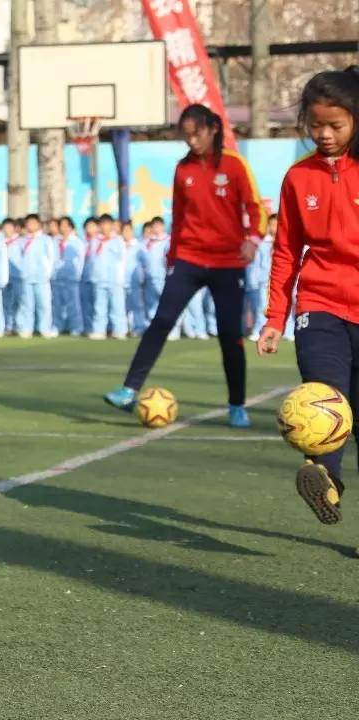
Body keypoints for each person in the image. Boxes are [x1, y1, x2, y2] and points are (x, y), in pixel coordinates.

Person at [105, 104, 267, 427]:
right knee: (161, 320)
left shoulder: (235, 166)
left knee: (229, 335)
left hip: (226, 262)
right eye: (186, 136)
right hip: (189, 260)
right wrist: (172, 257)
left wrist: (253, 238)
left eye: (197, 134)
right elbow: (179, 218)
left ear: (213, 129)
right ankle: (129, 389)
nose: (192, 141)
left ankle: (237, 405)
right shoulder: (183, 170)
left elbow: (257, 207)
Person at [258, 68, 359, 524]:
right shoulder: (298, 178)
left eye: (335, 125)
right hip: (319, 306)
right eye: (316, 125)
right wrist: (275, 316)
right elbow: (286, 250)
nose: (325, 134)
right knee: (323, 396)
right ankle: (326, 481)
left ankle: (328, 479)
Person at [14, 213, 55, 339]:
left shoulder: (46, 240)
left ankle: (45, 329)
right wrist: (22, 272)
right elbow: (17, 258)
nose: (31, 225)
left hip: (42, 278)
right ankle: (26, 329)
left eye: (33, 223)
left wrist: (49, 274)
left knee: (44, 304)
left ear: (39, 224)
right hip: (26, 277)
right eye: (29, 223)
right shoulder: (21, 241)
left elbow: (52, 258)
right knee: (27, 305)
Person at [86, 213, 126, 340]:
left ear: (111, 225)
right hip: (99, 279)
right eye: (102, 224)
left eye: (107, 224)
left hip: (114, 279)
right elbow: (92, 260)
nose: (104, 227)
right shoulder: (95, 240)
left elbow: (123, 259)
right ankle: (99, 330)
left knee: (117, 306)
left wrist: (121, 277)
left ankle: (119, 330)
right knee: (99, 307)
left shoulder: (118, 240)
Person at [52, 216, 85, 335]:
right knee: (57, 304)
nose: (63, 228)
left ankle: (76, 327)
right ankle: (57, 326)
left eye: (66, 225)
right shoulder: (55, 241)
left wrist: (77, 275)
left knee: (73, 304)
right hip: (57, 277)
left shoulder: (77, 242)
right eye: (61, 225)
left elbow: (80, 260)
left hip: (71, 277)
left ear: (71, 227)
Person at [246, 214, 276, 340]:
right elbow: (255, 264)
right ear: (268, 226)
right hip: (264, 281)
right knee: (262, 307)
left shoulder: (286, 241)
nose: (275, 227)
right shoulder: (263, 243)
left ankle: (288, 332)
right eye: (273, 224)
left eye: (277, 224)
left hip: (281, 281)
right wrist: (253, 281)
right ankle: (259, 330)